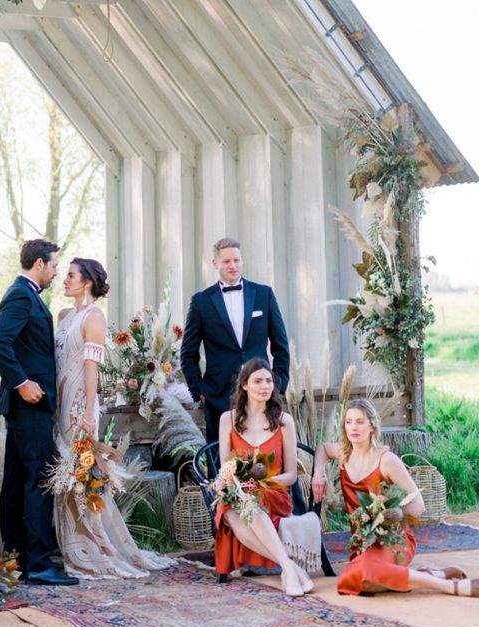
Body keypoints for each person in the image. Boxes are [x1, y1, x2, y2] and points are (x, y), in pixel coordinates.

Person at [54, 258, 173, 578]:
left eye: (71, 276)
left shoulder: (94, 316)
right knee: (64, 473)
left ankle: (93, 545)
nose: (64, 280)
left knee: (81, 472)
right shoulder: (64, 315)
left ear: (88, 282)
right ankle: (71, 544)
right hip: (61, 403)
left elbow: (91, 368)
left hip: (81, 404)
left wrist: (89, 411)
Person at [313, 399, 478, 597]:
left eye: (360, 422)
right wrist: (318, 474)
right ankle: (432, 574)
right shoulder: (345, 454)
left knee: (358, 576)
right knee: (357, 580)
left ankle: (451, 587)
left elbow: (418, 504)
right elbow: (323, 449)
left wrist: (391, 516)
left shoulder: (386, 460)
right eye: (348, 422)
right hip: (363, 542)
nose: (353, 427)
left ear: (372, 425)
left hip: (392, 538)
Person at [0, 239, 77, 586]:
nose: (56, 272)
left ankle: (18, 556)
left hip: (29, 405)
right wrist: (22, 382)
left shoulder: (26, 295)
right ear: (38, 264)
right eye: (54, 265)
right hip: (29, 404)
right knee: (39, 480)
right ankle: (38, 563)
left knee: (17, 481)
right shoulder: (21, 296)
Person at [214, 358, 316, 597]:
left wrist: (262, 483)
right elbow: (225, 468)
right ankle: (290, 569)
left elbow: (291, 475)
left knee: (248, 502)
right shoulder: (227, 420)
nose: (265, 386)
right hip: (238, 492)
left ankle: (289, 570)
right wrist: (236, 484)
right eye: (258, 381)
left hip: (273, 492)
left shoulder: (283, 421)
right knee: (229, 508)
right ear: (244, 386)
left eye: (269, 380)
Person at [180, 238, 290, 442]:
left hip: (262, 393)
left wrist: (278, 382)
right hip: (219, 394)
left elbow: (280, 344)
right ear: (215, 264)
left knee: (264, 455)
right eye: (227, 261)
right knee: (223, 460)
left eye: (236, 260)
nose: (233, 265)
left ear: (242, 261)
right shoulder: (201, 302)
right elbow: (188, 353)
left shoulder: (263, 294)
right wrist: (200, 391)